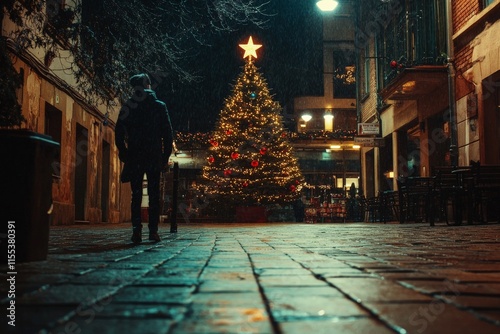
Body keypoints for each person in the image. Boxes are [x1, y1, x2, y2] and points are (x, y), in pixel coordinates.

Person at [115, 73, 173, 244]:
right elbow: (167, 135)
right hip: (154, 156)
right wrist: (164, 156)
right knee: (154, 195)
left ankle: (136, 231)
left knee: (136, 195)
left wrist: (124, 152)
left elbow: (119, 131)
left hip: (135, 155)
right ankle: (153, 231)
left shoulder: (129, 107)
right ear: (147, 85)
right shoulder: (159, 106)